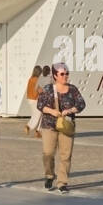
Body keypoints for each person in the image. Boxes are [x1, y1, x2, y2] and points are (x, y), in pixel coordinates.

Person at [38, 62, 85, 194]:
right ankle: (49, 175)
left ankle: (62, 182)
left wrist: (70, 110)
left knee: (66, 155)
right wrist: (53, 112)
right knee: (48, 153)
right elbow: (40, 105)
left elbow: (81, 104)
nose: (65, 76)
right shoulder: (47, 89)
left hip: (66, 126)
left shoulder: (73, 89)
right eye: (62, 74)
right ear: (55, 75)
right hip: (49, 125)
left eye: (67, 73)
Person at [25, 65, 44, 138]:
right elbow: (39, 90)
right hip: (35, 99)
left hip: (29, 99)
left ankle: (38, 131)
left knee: (39, 114)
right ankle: (29, 127)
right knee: (37, 116)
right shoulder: (37, 80)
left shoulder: (31, 79)